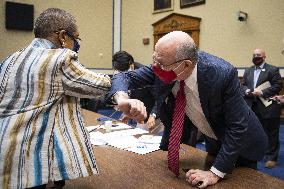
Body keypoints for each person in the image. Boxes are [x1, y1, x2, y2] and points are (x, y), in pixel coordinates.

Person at [107, 31, 268, 188]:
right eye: (154, 59)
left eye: (161, 64)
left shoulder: (222, 75)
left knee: (242, 182)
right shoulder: (163, 67)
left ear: (185, 65)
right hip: (213, 138)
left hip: (243, 142)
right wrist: (122, 99)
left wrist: (214, 174)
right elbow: (124, 77)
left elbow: (237, 127)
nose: (155, 68)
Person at [0, 8, 112, 189]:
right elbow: (100, 85)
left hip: (6, 149)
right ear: (62, 36)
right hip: (30, 157)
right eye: (76, 38)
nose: (76, 43)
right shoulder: (60, 58)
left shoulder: (10, 59)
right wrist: (121, 81)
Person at [242, 49, 282, 168]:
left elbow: (277, 85)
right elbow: (243, 84)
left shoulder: (273, 69)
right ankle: (254, 154)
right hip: (251, 106)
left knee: (271, 133)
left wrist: (262, 92)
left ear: (264, 57)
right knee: (253, 131)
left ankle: (271, 158)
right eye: (254, 55)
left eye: (258, 55)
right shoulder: (248, 70)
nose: (256, 57)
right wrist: (247, 91)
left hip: (269, 106)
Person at [112, 50, 158, 131]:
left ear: (131, 64)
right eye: (121, 72)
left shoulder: (145, 73)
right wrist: (128, 113)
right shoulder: (120, 75)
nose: (125, 75)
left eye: (125, 71)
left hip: (156, 111)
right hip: (141, 111)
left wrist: (153, 115)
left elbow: (159, 96)